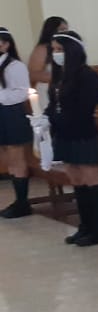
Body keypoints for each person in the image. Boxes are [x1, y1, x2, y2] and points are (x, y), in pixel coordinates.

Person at [45, 31, 98, 247]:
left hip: (83, 133)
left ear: (72, 51)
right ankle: (85, 226)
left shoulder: (88, 77)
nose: (56, 54)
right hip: (64, 134)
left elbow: (83, 109)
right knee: (76, 180)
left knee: (92, 179)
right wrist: (44, 118)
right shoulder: (60, 76)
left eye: (60, 49)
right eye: (54, 50)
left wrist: (58, 119)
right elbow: (54, 104)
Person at [0, 29, 31, 218]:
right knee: (8, 159)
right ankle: (18, 200)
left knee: (16, 158)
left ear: (6, 44)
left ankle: (22, 202)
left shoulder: (15, 66)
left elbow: (21, 92)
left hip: (11, 113)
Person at [27, 16, 64, 90]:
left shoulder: (67, 48)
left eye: (66, 30)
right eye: (62, 30)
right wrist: (60, 76)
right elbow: (32, 75)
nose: (65, 33)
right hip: (46, 90)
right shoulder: (42, 49)